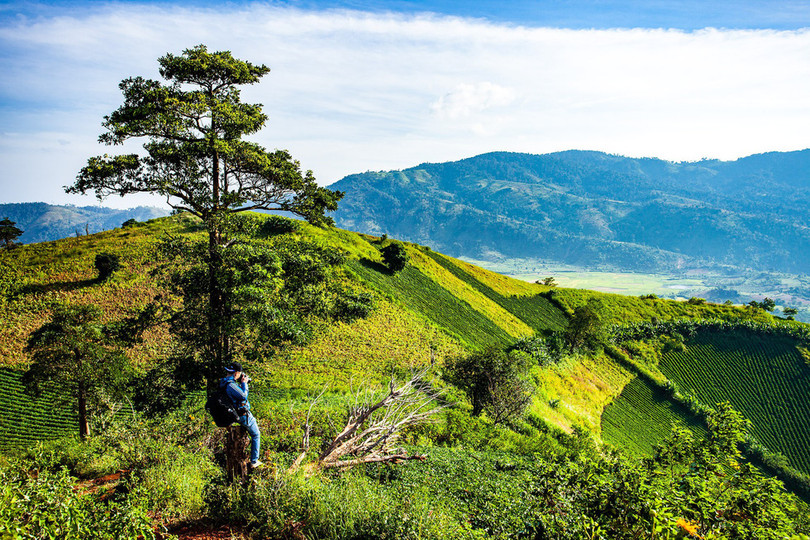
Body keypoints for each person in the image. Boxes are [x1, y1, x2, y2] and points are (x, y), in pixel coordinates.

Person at [220, 361, 262, 468]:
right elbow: (243, 396)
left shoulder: (225, 383)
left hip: (233, 414)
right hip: (242, 414)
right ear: (236, 373)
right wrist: (244, 383)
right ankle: (254, 461)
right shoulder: (231, 385)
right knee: (256, 434)